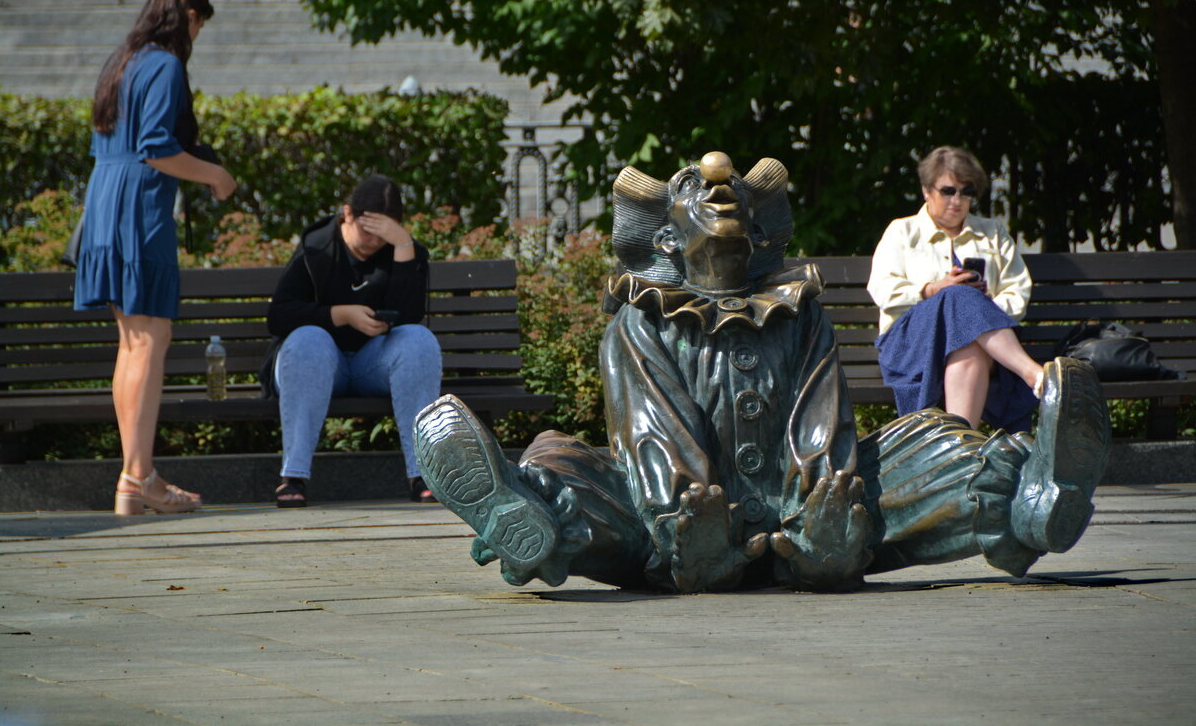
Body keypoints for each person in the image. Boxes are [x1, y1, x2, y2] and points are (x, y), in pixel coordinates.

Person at [412, 151, 1111, 594]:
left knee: (928, 442)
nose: (719, 177)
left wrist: (823, 513)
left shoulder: (797, 310)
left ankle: (1029, 499)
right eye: (696, 186)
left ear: (758, 229)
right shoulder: (641, 320)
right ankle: (523, 510)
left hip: (812, 519)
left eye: (737, 191)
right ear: (664, 236)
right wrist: (683, 517)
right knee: (565, 463)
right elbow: (652, 435)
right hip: (670, 527)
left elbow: (822, 414)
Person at [74, 0, 238, 515]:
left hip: (103, 202)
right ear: (189, 15)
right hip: (137, 209)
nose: (197, 34)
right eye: (199, 24)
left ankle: (133, 476)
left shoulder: (121, 61)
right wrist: (216, 175)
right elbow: (157, 151)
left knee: (132, 342)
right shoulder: (165, 64)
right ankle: (140, 476)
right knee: (151, 340)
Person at [262, 175, 443, 507]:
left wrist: (404, 248)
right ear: (347, 214)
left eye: (384, 233)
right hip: (316, 365)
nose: (374, 241)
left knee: (418, 340)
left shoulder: (402, 251)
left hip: (371, 365)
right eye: (366, 230)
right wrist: (339, 315)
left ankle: (423, 476)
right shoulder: (317, 247)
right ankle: (294, 477)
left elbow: (410, 315)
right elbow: (279, 317)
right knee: (307, 339)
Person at [867, 146, 1044, 433]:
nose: (957, 200)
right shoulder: (902, 231)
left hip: (985, 349)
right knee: (957, 296)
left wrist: (979, 311)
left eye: (967, 192)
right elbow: (882, 290)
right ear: (927, 190)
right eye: (948, 191)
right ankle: (1034, 374)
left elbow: (1017, 293)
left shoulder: (993, 233)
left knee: (968, 332)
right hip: (910, 345)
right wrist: (932, 290)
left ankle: (962, 451)